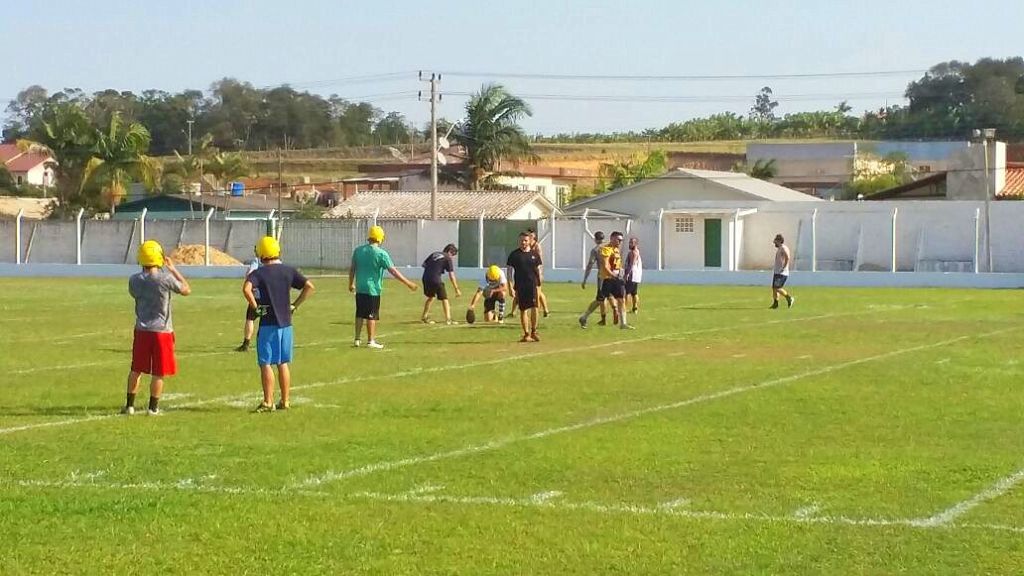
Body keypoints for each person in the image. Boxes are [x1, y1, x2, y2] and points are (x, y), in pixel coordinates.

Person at [243, 236, 315, 412]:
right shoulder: (288, 270)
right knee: (283, 363)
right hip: (286, 324)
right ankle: (285, 400)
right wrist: (295, 305)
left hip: (268, 324)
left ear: (261, 253)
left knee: (265, 363)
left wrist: (256, 307)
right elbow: (309, 286)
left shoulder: (258, 273)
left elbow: (246, 289)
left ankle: (268, 401)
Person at [122, 240, 191, 416]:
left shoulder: (134, 280)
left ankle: (129, 405)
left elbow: (134, 294)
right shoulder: (165, 278)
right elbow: (186, 290)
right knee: (158, 372)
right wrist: (173, 269)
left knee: (136, 369)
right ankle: (153, 407)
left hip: (141, 329)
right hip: (162, 331)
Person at [349, 225, 418, 349]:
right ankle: (371, 341)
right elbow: (393, 271)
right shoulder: (381, 254)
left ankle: (357, 339)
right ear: (380, 238)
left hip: (360, 287)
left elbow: (353, 268)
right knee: (371, 314)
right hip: (373, 288)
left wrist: (351, 283)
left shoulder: (358, 250)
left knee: (359, 313)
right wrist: (408, 283)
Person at [578, 231, 633, 330]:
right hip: (607, 279)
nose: (620, 242)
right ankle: (584, 317)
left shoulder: (616, 250)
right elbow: (605, 265)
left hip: (616, 278)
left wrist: (621, 274)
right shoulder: (605, 249)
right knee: (600, 300)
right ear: (612, 238)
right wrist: (612, 275)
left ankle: (623, 323)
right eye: (618, 240)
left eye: (621, 240)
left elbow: (617, 264)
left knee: (621, 299)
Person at [506, 232, 542, 342]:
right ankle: (526, 334)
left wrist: (539, 284)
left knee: (535, 308)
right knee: (523, 309)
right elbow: (509, 272)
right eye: (521, 240)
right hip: (520, 286)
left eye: (526, 240)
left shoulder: (534, 254)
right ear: (519, 241)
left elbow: (539, 269)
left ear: (529, 241)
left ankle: (534, 332)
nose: (523, 242)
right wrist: (510, 286)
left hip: (533, 285)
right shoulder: (514, 255)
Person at [420, 243, 462, 325]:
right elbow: (451, 275)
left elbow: (424, 265)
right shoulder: (447, 258)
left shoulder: (434, 254)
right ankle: (448, 319)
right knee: (444, 298)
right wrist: (456, 289)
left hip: (425, 278)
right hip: (436, 279)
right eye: (453, 254)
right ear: (450, 252)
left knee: (431, 297)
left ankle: (424, 317)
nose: (452, 257)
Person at [580, 231, 610, 325]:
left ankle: (585, 317)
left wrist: (585, 279)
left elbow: (590, 264)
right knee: (607, 297)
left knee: (600, 298)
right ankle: (605, 318)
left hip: (602, 276)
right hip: (612, 275)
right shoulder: (609, 248)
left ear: (595, 239)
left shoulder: (596, 250)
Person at [235, 256, 261, 352]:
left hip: (256, 296)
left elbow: (250, 274)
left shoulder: (257, 260)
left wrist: (251, 283)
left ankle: (246, 344)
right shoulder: (275, 262)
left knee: (250, 319)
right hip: (270, 296)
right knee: (268, 320)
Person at [770, 233, 795, 309]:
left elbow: (787, 257)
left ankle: (789, 298)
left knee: (777, 287)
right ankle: (775, 303)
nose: (775, 243)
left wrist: (784, 267)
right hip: (777, 271)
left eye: (776, 241)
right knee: (774, 288)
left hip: (782, 272)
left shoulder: (783, 248)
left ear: (780, 241)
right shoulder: (780, 248)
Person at [623, 237, 643, 314]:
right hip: (636, 275)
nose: (630, 244)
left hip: (632, 275)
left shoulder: (633, 253)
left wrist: (626, 274)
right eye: (629, 242)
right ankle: (635, 308)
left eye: (631, 243)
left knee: (626, 292)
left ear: (635, 244)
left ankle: (623, 308)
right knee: (634, 292)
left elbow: (631, 264)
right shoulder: (637, 252)